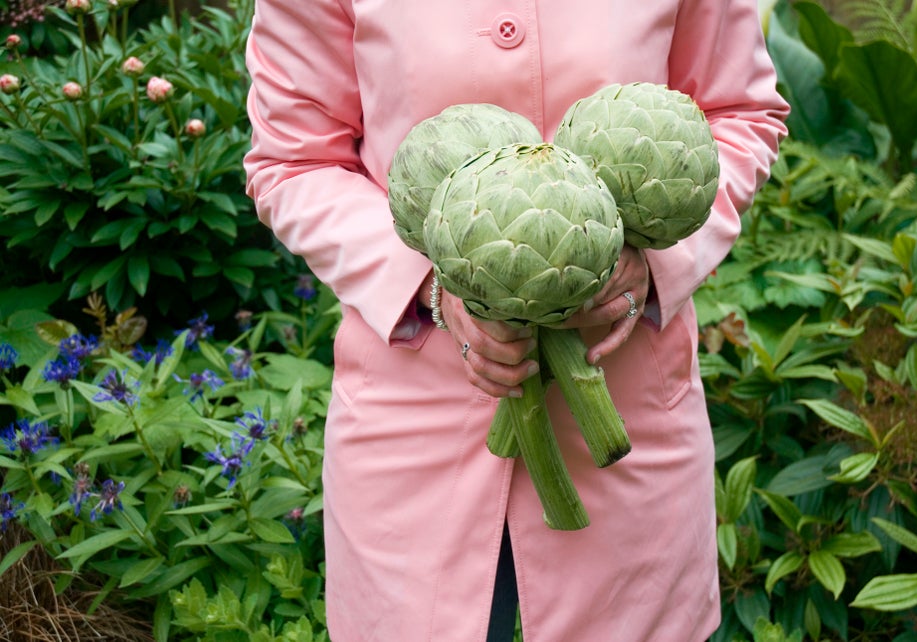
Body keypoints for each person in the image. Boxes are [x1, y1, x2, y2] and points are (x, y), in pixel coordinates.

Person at [243, 1, 789, 640]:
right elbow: (297, 162)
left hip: (631, 412)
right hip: (413, 421)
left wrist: (652, 263)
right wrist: (433, 282)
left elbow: (737, 113)